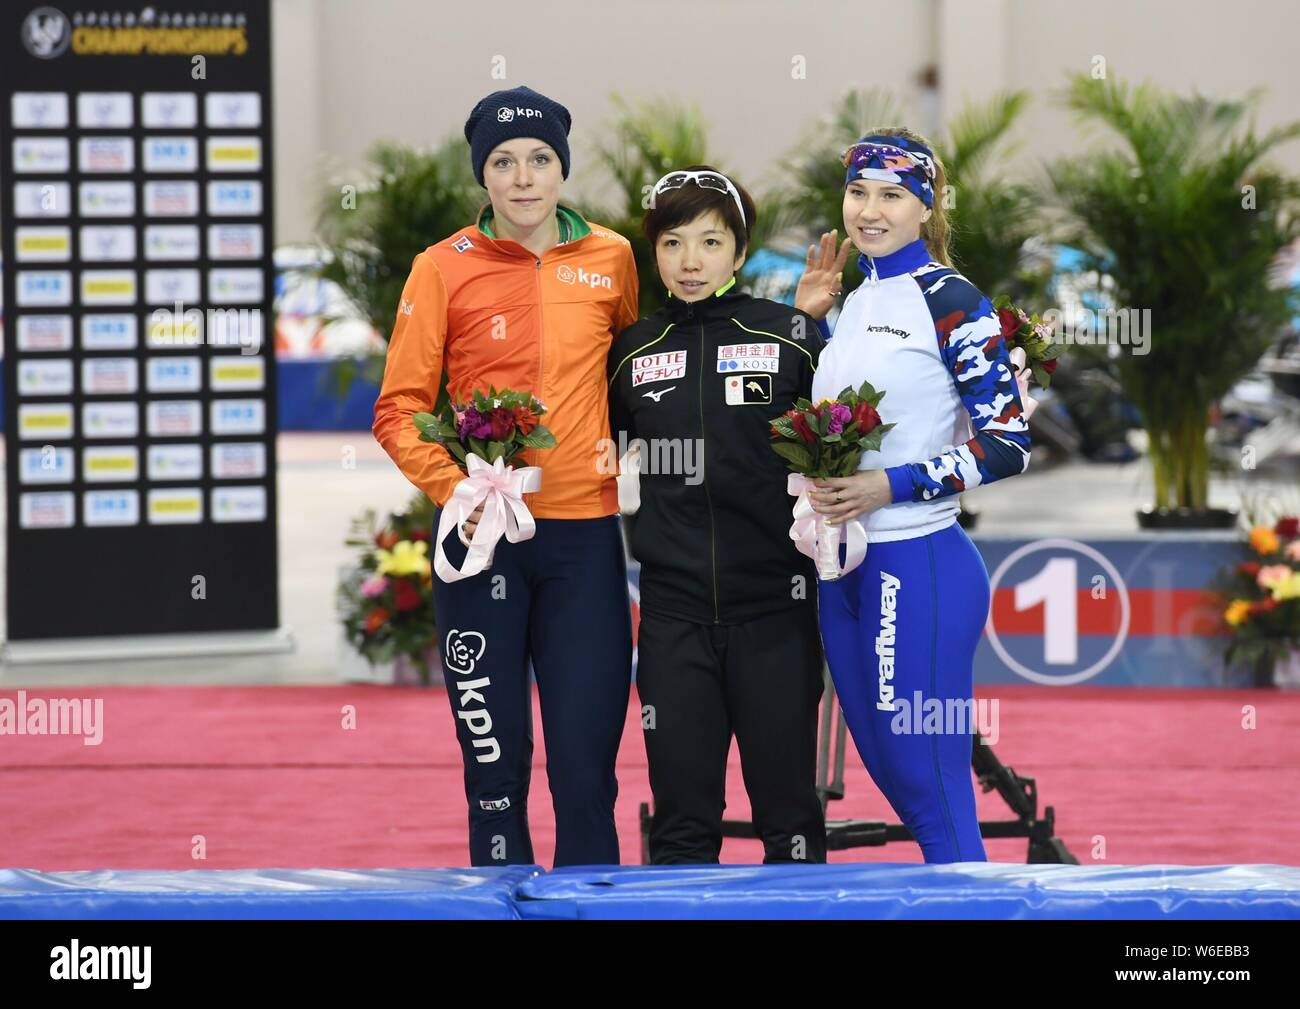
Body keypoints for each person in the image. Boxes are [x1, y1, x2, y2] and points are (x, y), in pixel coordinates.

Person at [372, 86, 639, 868]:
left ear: (562, 167)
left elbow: (634, 382)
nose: (523, 177)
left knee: (586, 771)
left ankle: (593, 904)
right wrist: (458, 486)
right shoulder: (440, 268)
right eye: (503, 161)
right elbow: (398, 409)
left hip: (584, 539)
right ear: (482, 176)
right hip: (479, 540)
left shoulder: (612, 257)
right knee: (493, 771)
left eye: (540, 159)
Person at [794, 130, 1032, 863]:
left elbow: (1008, 441)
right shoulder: (854, 301)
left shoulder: (951, 299)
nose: (870, 210)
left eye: (892, 195)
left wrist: (886, 484)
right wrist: (806, 322)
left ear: (925, 207)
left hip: (919, 561)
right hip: (844, 566)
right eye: (859, 192)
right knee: (897, 776)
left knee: (930, 779)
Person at [608, 166, 828, 865]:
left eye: (711, 241)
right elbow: (594, 454)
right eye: (673, 243)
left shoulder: (793, 336)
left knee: (791, 817)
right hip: (673, 621)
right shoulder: (630, 351)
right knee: (681, 822)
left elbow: (847, 442)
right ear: (656, 254)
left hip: (778, 611)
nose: (692, 260)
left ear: (739, 250)